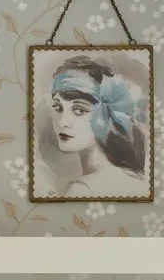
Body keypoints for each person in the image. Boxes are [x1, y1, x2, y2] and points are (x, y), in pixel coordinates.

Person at [44, 54, 148, 197]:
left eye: (79, 110)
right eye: (58, 108)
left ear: (108, 115)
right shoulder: (130, 178)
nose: (63, 122)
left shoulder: (82, 190)